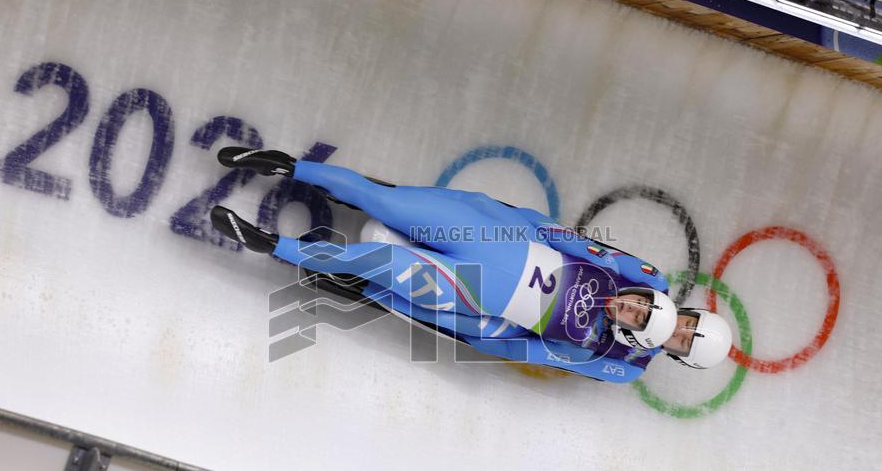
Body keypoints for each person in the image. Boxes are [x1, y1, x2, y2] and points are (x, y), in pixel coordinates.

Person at [211, 147, 678, 382]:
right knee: (383, 199)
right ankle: (288, 166)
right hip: (495, 239)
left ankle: (269, 243)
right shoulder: (621, 274)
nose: (630, 303)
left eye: (635, 315)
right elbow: (565, 238)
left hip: (474, 291)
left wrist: (462, 327)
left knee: (375, 261)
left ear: (630, 333)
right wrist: (505, 216)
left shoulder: (589, 347)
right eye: (641, 301)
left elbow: (517, 348)